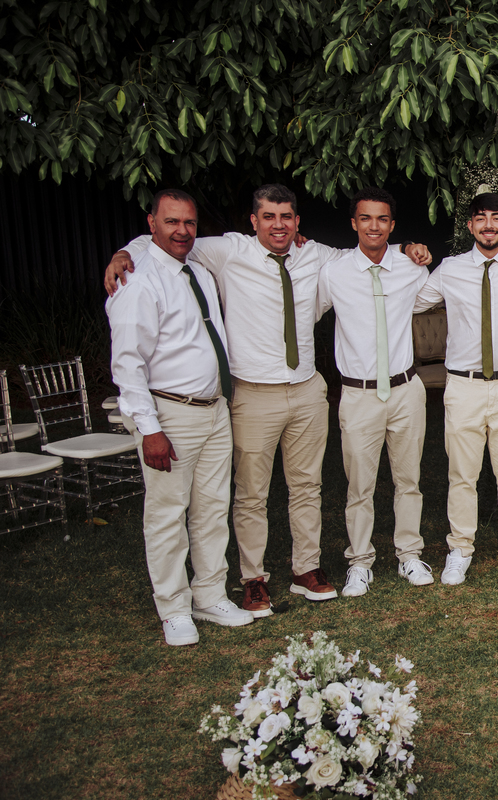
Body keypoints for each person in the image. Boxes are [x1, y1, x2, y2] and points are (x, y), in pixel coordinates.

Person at [104, 184, 431, 617]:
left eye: (286, 217)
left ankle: (306, 569)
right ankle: (253, 578)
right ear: (253, 221)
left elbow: (367, 249)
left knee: (307, 487)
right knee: (250, 493)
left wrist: (409, 248)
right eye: (269, 217)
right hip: (253, 393)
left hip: (307, 389)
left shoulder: (316, 256)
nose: (279, 225)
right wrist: (123, 253)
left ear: (297, 222)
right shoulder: (227, 252)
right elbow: (171, 240)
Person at [106, 189, 254, 645]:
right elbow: (127, 363)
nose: (182, 231)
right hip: (170, 413)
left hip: (214, 409)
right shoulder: (138, 280)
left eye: (189, 222)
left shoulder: (198, 270)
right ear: (151, 223)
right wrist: (149, 428)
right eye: (171, 222)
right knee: (168, 514)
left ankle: (209, 594)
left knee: (212, 509)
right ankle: (173, 608)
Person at [413, 192, 498, 584]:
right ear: (470, 225)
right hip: (464, 387)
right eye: (481, 218)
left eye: (497, 217)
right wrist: (405, 255)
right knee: (462, 475)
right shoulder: (450, 269)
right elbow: (412, 301)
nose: (489, 225)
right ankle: (460, 549)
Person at [317, 187, 433, 596]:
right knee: (359, 486)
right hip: (359, 395)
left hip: (405, 390)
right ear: (354, 223)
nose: (374, 226)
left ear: (392, 225)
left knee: (409, 479)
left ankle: (409, 554)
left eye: (382, 219)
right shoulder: (334, 272)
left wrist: (412, 249)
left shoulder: (410, 268)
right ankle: (360, 561)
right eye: (365, 218)